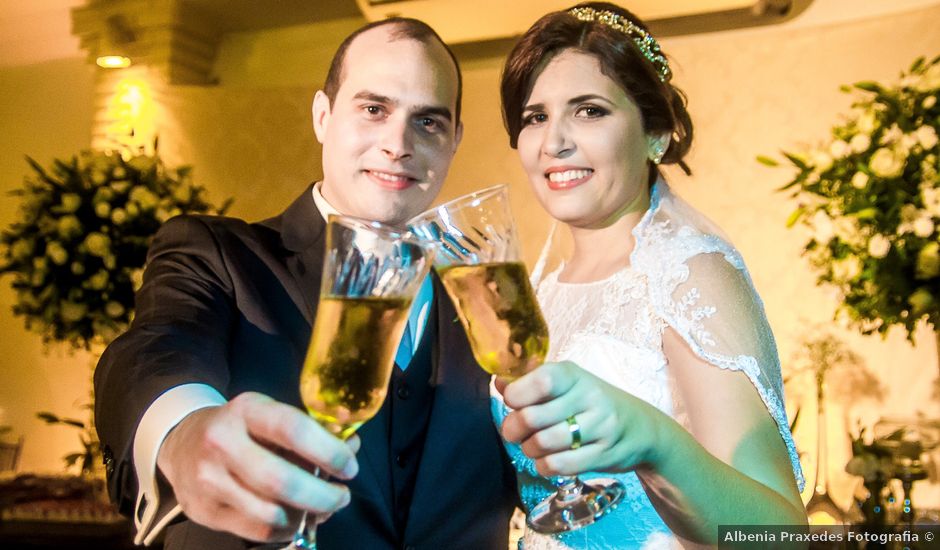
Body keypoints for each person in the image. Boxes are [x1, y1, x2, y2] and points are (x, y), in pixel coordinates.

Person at [94, 18, 518, 550]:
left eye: (428, 121)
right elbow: (154, 348)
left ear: (454, 139)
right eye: (373, 109)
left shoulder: (485, 295)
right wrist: (183, 433)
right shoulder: (217, 254)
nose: (398, 144)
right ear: (323, 116)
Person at [492, 3, 807, 547]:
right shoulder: (542, 285)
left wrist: (655, 442)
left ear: (656, 134)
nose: (553, 142)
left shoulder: (689, 275)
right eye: (535, 117)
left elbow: (776, 535)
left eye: (588, 111)